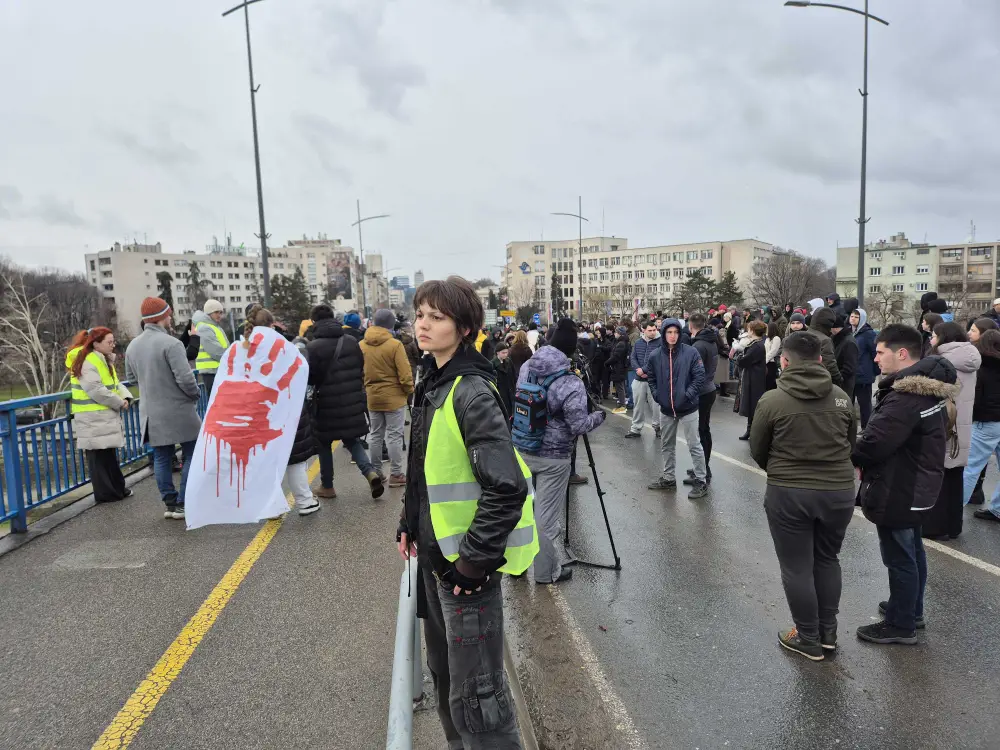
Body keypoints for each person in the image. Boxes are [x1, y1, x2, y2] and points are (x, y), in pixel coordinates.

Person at [397, 276, 535, 749]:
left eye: (437, 317)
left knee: (479, 699)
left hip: (464, 573)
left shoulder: (470, 391)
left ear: (464, 326)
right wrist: (408, 522)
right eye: (420, 314)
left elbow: (506, 487)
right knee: (447, 682)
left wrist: (473, 564)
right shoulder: (431, 378)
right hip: (437, 561)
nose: (423, 324)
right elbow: (425, 464)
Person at [750, 331, 856, 660]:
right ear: (821, 360)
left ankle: (807, 636)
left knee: (797, 566)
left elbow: (757, 449)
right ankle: (827, 633)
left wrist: (781, 471)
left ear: (784, 361)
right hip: (838, 491)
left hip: (790, 492)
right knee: (827, 559)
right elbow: (851, 443)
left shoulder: (772, 400)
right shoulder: (841, 397)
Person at [852, 324, 958, 645]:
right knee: (912, 550)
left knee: (900, 557)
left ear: (901, 354)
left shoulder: (906, 396)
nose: (875, 358)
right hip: (918, 484)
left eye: (880, 352)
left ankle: (901, 625)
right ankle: (911, 609)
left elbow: (873, 443)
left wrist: (849, 450)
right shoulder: (926, 388)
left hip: (901, 486)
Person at [519, 318, 605, 584]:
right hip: (553, 457)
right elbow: (578, 425)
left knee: (521, 513)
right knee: (544, 518)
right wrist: (599, 417)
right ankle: (546, 573)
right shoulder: (570, 382)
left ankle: (515, 566)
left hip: (522, 447)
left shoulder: (526, 368)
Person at [125, 298, 202, 520]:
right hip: (178, 411)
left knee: (161, 458)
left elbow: (131, 378)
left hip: (151, 413)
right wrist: (195, 394)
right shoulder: (172, 344)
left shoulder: (133, 346)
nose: (170, 318)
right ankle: (184, 502)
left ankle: (170, 503)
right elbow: (186, 379)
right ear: (161, 317)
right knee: (192, 453)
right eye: (168, 314)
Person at [306, 304, 383, 500]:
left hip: (325, 404)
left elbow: (311, 378)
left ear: (314, 322)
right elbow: (359, 368)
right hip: (351, 400)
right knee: (352, 440)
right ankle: (369, 472)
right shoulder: (350, 342)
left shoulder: (313, 347)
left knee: (324, 443)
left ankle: (328, 486)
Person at [920, 322, 979, 539]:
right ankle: (953, 526)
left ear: (944, 338)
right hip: (961, 425)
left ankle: (935, 527)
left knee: (939, 477)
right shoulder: (970, 356)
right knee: (955, 477)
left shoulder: (943, 361)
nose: (931, 340)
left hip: (945, 423)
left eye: (934, 336)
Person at [71, 327, 135, 504]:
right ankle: (109, 494)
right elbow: (95, 389)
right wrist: (119, 401)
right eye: (109, 342)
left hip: (100, 416)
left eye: (113, 341)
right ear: (96, 343)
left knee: (105, 456)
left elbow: (113, 384)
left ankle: (116, 491)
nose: (113, 345)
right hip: (93, 416)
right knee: (100, 458)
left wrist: (124, 396)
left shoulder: (100, 359)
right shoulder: (89, 360)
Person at [646, 318, 709, 499]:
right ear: (664, 333)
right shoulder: (656, 356)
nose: (672, 336)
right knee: (667, 445)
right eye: (669, 332)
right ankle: (668, 478)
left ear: (680, 334)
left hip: (688, 408)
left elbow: (699, 377)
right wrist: (658, 396)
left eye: (675, 332)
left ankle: (701, 480)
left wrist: (687, 395)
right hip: (666, 409)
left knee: (694, 445)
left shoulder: (691, 353)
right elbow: (651, 378)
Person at [360, 308, 415, 488]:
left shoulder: (362, 345)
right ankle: (396, 474)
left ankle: (376, 471)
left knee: (375, 434)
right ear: (391, 324)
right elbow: (405, 373)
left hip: (373, 396)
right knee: (395, 435)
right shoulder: (395, 345)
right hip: (394, 397)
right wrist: (408, 391)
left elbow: (359, 371)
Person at [963, 329, 1000, 523]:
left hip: (986, 422)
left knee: (971, 468)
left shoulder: (981, 369)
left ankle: (952, 509)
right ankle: (998, 509)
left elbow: (975, 400)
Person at [686, 313, 719, 486]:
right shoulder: (710, 341)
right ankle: (703, 466)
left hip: (702, 392)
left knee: (701, 431)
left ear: (691, 326)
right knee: (704, 430)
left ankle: (703, 469)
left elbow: (694, 372)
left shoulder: (698, 345)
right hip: (709, 389)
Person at [625, 320, 662, 439]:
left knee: (656, 406)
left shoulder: (661, 343)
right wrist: (638, 370)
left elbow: (658, 360)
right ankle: (635, 428)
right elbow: (633, 357)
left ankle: (658, 428)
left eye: (654, 330)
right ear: (643, 330)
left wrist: (644, 371)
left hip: (654, 380)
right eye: (649, 330)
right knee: (638, 406)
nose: (652, 332)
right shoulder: (638, 342)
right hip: (638, 378)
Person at [736, 320, 768, 441]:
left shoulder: (757, 346)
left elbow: (744, 361)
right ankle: (750, 430)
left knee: (753, 404)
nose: (747, 331)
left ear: (753, 331)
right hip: (753, 376)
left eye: (749, 329)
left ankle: (753, 431)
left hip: (754, 378)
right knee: (751, 405)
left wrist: (739, 356)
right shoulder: (756, 343)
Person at [192, 299, 230, 397]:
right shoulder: (205, 328)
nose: (219, 315)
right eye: (216, 312)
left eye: (221, 312)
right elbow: (216, 351)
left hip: (217, 370)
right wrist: (231, 359)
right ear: (209, 313)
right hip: (212, 372)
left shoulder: (213, 326)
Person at [850, 308, 879, 429]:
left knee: (865, 405)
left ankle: (866, 429)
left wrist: (875, 371)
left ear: (862, 319)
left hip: (864, 375)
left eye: (856, 317)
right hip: (851, 374)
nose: (852, 319)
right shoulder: (850, 332)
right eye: (851, 316)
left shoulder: (868, 334)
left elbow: (875, 353)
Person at [806, 308, 844, 388]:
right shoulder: (825, 340)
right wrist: (839, 379)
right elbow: (830, 364)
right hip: (819, 381)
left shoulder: (804, 335)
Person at [830, 314, 859, 400]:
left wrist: (838, 378)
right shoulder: (837, 339)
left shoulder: (849, 342)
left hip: (844, 386)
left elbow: (849, 367)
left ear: (835, 328)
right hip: (837, 384)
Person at [608, 326, 630, 414]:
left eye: (616, 332)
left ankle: (622, 406)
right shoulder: (622, 342)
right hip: (620, 367)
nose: (614, 334)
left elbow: (616, 356)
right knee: (620, 386)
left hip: (619, 368)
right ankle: (621, 403)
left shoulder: (621, 343)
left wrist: (607, 362)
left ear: (620, 333)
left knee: (620, 387)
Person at [492, 342, 516, 417]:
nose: (505, 354)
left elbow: (513, 375)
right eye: (503, 353)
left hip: (510, 391)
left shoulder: (509, 362)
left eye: (506, 352)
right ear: (497, 353)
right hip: (501, 393)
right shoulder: (492, 364)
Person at [764, 321, 782, 392]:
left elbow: (773, 351)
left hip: (771, 363)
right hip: (766, 362)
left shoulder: (776, 338)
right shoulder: (767, 339)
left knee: (770, 382)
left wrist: (765, 360)